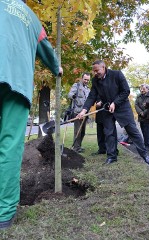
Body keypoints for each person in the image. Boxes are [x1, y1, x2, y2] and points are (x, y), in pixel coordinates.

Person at [0, 0, 63, 229]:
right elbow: (46, 50)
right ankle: (4, 214)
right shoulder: (32, 20)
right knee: (9, 146)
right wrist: (57, 68)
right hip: (17, 84)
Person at [77, 60, 149, 165]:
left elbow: (126, 91)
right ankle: (112, 157)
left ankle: (145, 155)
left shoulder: (117, 74)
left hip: (122, 108)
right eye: (94, 71)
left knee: (133, 132)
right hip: (107, 109)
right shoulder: (95, 81)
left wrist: (115, 103)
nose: (95, 73)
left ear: (103, 67)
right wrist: (84, 110)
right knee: (109, 133)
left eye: (97, 70)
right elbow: (92, 96)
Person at [68, 72, 90, 152]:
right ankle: (76, 148)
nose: (86, 81)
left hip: (86, 113)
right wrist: (73, 96)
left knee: (83, 132)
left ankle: (79, 146)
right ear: (82, 78)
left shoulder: (88, 89)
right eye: (85, 79)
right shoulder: (76, 85)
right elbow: (69, 94)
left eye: (88, 80)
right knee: (78, 131)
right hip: (78, 113)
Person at [135, 84, 149, 151]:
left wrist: (144, 113)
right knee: (143, 131)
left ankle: (147, 145)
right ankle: (146, 144)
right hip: (141, 117)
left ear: (148, 89)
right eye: (141, 89)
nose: (142, 90)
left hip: (148, 117)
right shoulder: (138, 96)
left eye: (143, 89)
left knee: (147, 132)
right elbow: (136, 105)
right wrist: (140, 112)